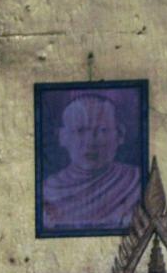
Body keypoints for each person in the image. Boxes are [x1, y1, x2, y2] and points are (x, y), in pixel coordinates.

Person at [41, 93, 141, 232]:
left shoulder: (134, 181)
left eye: (102, 130)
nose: (90, 142)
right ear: (62, 137)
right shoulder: (48, 190)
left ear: (120, 135)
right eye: (80, 131)